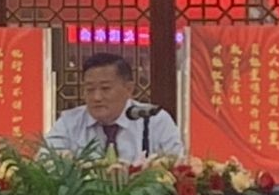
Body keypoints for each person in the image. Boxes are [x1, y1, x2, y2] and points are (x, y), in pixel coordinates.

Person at [45, 52, 182, 161]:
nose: (96, 97)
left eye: (105, 88)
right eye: (90, 89)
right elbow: (45, 160)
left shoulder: (154, 120)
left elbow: (177, 165)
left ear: (129, 89)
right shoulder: (69, 122)